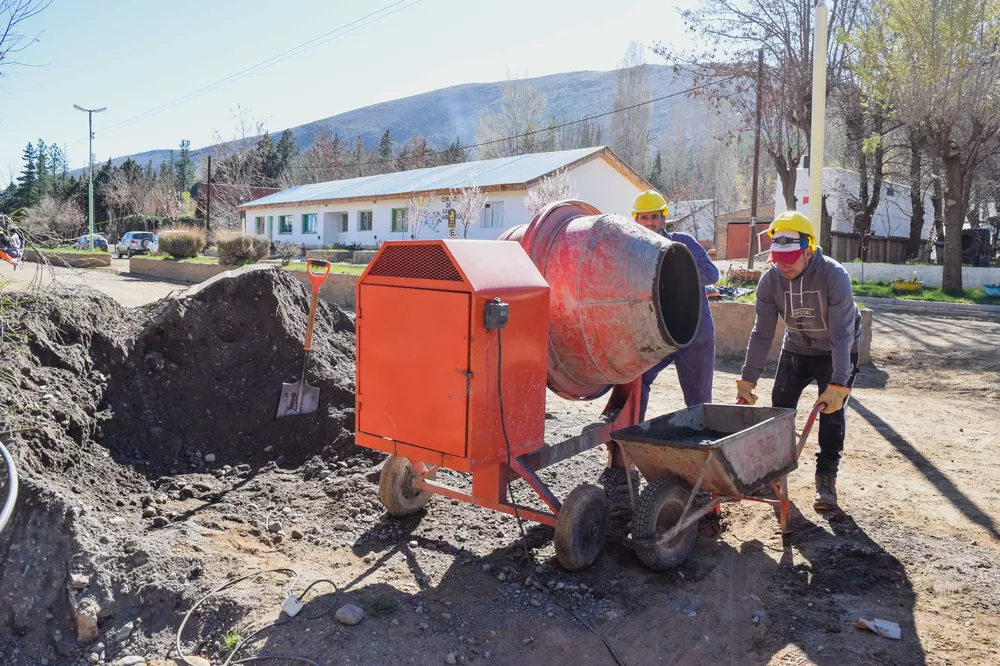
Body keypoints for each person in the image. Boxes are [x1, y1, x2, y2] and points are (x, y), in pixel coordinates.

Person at [736, 210, 862, 511]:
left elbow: (842, 336)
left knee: (831, 412)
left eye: (788, 259)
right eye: (777, 260)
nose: (782, 266)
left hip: (836, 349)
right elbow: (762, 333)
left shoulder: (834, 276)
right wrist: (748, 378)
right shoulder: (770, 281)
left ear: (808, 250)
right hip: (796, 346)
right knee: (779, 409)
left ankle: (826, 478)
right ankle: (774, 474)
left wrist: (839, 382)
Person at [631, 190, 719, 420]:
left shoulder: (682, 242)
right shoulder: (634, 252)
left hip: (695, 335)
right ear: (636, 220)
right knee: (637, 380)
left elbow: (712, 273)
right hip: (658, 335)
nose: (649, 222)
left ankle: (699, 446)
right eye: (643, 217)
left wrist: (675, 275)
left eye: (654, 217)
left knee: (698, 401)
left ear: (663, 219)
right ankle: (629, 435)